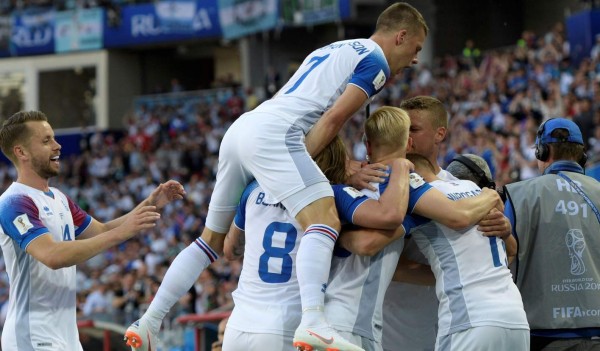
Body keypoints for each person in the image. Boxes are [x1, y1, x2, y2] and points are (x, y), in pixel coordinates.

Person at [125, 3, 429, 351]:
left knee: (208, 241)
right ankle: (313, 321)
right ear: (400, 35)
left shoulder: (331, 49)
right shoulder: (376, 63)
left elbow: (228, 248)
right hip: (276, 136)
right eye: (416, 48)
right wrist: (334, 169)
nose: (415, 58)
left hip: (243, 128)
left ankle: (149, 321)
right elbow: (332, 121)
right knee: (325, 217)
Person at [0, 110, 185, 351]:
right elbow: (52, 256)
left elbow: (101, 231)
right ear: (21, 152)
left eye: (54, 138)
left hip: (66, 336)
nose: (57, 146)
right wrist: (121, 233)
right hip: (32, 335)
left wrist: (150, 203)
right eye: (46, 141)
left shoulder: (59, 198)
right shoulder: (13, 202)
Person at [323, 107, 504, 351]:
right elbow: (460, 216)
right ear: (408, 143)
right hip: (353, 322)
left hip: (345, 318)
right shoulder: (408, 192)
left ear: (367, 147)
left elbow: (385, 259)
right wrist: (490, 195)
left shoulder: (339, 189)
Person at [222, 132, 414, 351]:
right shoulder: (329, 196)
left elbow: (230, 250)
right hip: (286, 325)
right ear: (335, 159)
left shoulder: (254, 188)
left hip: (238, 325)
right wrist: (400, 173)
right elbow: (388, 215)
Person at [381, 96, 511, 351]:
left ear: (440, 133)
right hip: (399, 329)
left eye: (414, 130)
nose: (406, 138)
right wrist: (456, 273)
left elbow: (511, 251)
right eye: (402, 130)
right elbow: (383, 264)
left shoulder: (460, 185)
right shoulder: (387, 186)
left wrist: (505, 232)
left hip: (454, 321)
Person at [406, 154, 529, 351]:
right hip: (515, 317)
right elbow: (511, 252)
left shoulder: (419, 196)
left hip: (469, 318)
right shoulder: (476, 190)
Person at [503, 118, 600, 351]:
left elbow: (504, 260)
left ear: (542, 151)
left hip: (540, 330)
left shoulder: (518, 195)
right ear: (582, 155)